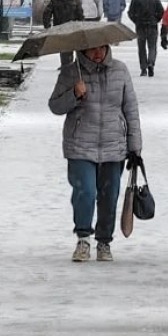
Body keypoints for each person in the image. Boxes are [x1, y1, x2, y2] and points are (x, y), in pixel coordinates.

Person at [48, 44, 141, 262]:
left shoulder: (120, 70)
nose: (98, 53)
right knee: (86, 192)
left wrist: (135, 145)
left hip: (113, 144)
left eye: (102, 48)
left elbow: (131, 109)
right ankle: (83, 239)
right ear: (82, 51)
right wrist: (74, 94)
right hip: (80, 144)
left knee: (109, 195)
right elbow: (55, 106)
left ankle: (104, 242)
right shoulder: (71, 72)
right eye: (92, 50)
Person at [128, 0, 164, 76]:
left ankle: (143, 69)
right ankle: (151, 62)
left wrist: (136, 20)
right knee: (152, 47)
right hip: (152, 25)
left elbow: (130, 13)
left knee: (141, 48)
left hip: (140, 26)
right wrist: (156, 20)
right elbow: (161, 11)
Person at [43, 0, 84, 66]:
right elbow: (47, 12)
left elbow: (80, 13)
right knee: (63, 48)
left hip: (72, 27)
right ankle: (65, 65)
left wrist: (81, 24)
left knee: (70, 47)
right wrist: (47, 25)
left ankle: (70, 64)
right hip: (59, 27)